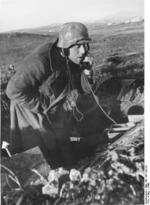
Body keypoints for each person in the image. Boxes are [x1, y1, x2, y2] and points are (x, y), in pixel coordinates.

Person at [4, 22, 94, 168]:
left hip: (53, 108)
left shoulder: (72, 58)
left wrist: (87, 73)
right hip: (30, 109)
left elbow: (84, 90)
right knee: (46, 159)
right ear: (65, 48)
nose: (84, 51)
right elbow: (13, 90)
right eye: (78, 46)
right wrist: (45, 104)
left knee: (71, 148)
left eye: (86, 45)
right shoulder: (41, 60)